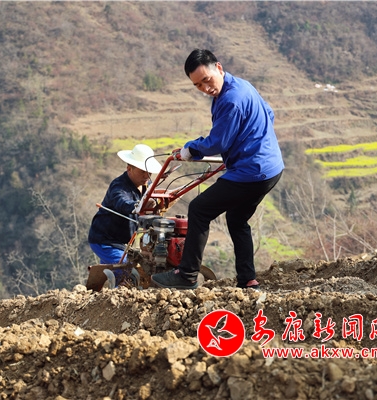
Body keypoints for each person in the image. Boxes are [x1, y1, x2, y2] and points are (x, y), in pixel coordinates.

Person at [151, 49, 284, 290]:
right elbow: (269, 114)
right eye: (198, 85)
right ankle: (248, 279)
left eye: (207, 80)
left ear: (219, 68)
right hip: (271, 167)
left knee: (199, 209)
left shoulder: (231, 99)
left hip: (251, 171)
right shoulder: (242, 86)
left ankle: (187, 275)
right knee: (237, 219)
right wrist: (249, 142)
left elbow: (218, 142)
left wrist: (190, 149)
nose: (205, 88)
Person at [88, 144, 161, 265]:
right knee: (126, 269)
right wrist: (138, 205)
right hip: (106, 241)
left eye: (149, 172)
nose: (146, 176)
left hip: (124, 243)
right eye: (143, 171)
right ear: (129, 169)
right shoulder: (119, 186)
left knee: (110, 271)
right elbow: (122, 202)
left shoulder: (147, 185)